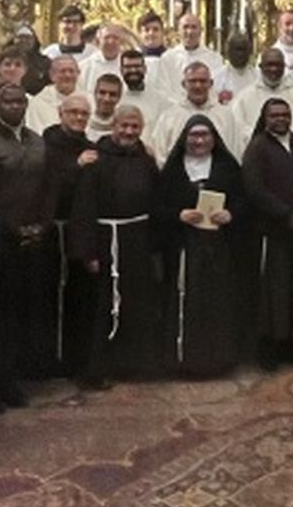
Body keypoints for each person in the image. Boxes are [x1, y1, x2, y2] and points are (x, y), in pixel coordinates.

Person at [66, 105, 164, 384]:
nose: (129, 132)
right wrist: (87, 251)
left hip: (137, 242)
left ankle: (134, 365)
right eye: (124, 126)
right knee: (102, 308)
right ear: (114, 126)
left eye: (135, 127)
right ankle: (98, 369)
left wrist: (155, 244)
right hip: (105, 242)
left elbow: (155, 200)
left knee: (137, 304)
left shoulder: (145, 159)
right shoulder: (97, 159)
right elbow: (83, 207)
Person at [0, 83, 54, 408]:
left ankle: (11, 380)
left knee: (21, 314)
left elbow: (50, 187)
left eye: (21, 101)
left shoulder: (36, 140)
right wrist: (12, 228)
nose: (16, 106)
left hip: (33, 240)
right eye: (9, 101)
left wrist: (42, 225)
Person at [154, 115, 246, 378]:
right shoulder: (173, 171)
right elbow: (158, 207)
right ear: (185, 139)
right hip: (183, 247)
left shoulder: (227, 167)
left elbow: (243, 201)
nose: (199, 141)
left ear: (214, 139)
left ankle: (218, 360)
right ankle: (184, 360)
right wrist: (178, 215)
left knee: (217, 302)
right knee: (185, 301)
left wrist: (231, 215)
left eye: (205, 135)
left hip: (219, 248)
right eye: (194, 136)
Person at [241, 97, 293, 370]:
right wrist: (285, 214)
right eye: (274, 114)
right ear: (265, 118)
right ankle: (267, 347)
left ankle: (290, 343)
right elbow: (254, 189)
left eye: (285, 114)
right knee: (271, 291)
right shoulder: (257, 148)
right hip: (271, 232)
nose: (281, 119)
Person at [43, 93, 98, 375]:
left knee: (79, 300)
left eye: (84, 114)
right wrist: (75, 166)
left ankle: (75, 359)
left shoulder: (91, 147)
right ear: (60, 113)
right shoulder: (46, 145)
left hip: (80, 231)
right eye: (73, 112)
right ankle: (48, 361)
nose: (79, 118)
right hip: (53, 231)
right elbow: (47, 185)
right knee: (48, 299)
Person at [232, 46, 293, 152]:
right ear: (260, 66)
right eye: (269, 64)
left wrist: (280, 139)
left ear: (284, 67)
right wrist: (267, 141)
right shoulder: (243, 98)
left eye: (278, 65)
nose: (274, 69)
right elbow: (236, 132)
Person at [150, 60, 235, 161]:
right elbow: (159, 154)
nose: (198, 86)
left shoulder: (225, 116)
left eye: (202, 81)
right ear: (183, 84)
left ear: (211, 83)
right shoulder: (169, 117)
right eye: (192, 81)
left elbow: (234, 151)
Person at [153, 12, 226, 99]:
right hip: (175, 109)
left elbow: (217, 89)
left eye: (194, 27)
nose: (190, 32)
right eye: (185, 27)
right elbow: (162, 91)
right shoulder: (168, 58)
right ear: (178, 30)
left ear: (201, 30)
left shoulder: (214, 59)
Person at [25, 53, 81, 135]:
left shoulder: (90, 100)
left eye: (71, 71)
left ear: (78, 73)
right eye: (63, 71)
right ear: (52, 75)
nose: (67, 75)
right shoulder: (38, 103)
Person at [216, 30, 258, 103]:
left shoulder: (258, 77)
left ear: (250, 52)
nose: (240, 54)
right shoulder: (217, 77)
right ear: (228, 51)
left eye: (243, 50)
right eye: (237, 49)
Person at [88, 73, 123, 140]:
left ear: (119, 97)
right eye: (102, 93)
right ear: (95, 94)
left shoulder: (124, 127)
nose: (106, 99)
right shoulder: (83, 122)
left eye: (112, 94)